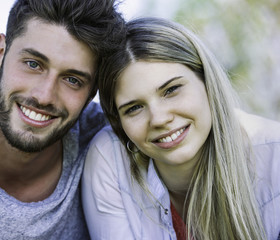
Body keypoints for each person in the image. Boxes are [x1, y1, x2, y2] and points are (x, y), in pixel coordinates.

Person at [0, 0, 125, 239]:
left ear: (91, 94)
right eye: (33, 64)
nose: (44, 96)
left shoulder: (108, 140)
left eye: (72, 80)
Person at [82, 17, 280, 240]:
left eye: (171, 90)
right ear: (119, 123)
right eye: (134, 108)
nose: (158, 119)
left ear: (207, 82)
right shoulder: (109, 159)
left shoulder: (275, 155)